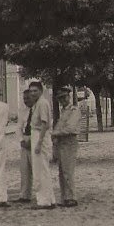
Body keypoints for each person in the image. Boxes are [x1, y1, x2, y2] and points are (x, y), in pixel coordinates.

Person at [28, 81, 57, 210]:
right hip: (36, 134)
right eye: (31, 91)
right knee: (41, 169)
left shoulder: (42, 103)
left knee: (41, 170)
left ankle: (44, 201)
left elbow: (45, 124)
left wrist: (39, 142)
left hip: (41, 135)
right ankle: (50, 199)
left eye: (35, 91)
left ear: (40, 91)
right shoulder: (37, 104)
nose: (33, 93)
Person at [52, 88, 81, 208]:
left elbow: (70, 128)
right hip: (61, 142)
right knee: (62, 171)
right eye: (60, 98)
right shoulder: (63, 111)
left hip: (69, 141)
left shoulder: (74, 110)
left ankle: (71, 197)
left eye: (64, 97)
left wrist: (55, 133)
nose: (62, 100)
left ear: (69, 97)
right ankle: (65, 197)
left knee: (68, 170)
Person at [18, 90, 34, 203]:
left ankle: (41, 195)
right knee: (24, 169)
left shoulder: (38, 110)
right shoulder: (22, 112)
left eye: (28, 98)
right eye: (24, 99)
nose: (26, 101)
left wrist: (32, 141)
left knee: (37, 169)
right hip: (25, 140)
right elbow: (19, 127)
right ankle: (24, 195)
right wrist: (21, 140)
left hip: (35, 140)